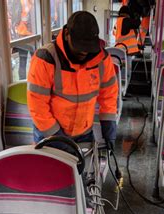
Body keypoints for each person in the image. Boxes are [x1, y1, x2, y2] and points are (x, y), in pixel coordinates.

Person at [27, 11, 118, 147]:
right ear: (66, 34)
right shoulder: (45, 59)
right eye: (80, 46)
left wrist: (109, 127)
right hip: (49, 133)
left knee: (83, 168)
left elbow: (109, 96)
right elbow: (37, 105)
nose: (84, 52)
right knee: (54, 168)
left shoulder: (102, 60)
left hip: (84, 133)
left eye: (87, 48)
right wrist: (58, 138)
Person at [10, 0, 35, 80]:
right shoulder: (29, 2)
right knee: (34, 61)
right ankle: (33, 80)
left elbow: (15, 18)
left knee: (23, 61)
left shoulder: (19, 2)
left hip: (23, 35)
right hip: (30, 35)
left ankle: (23, 82)